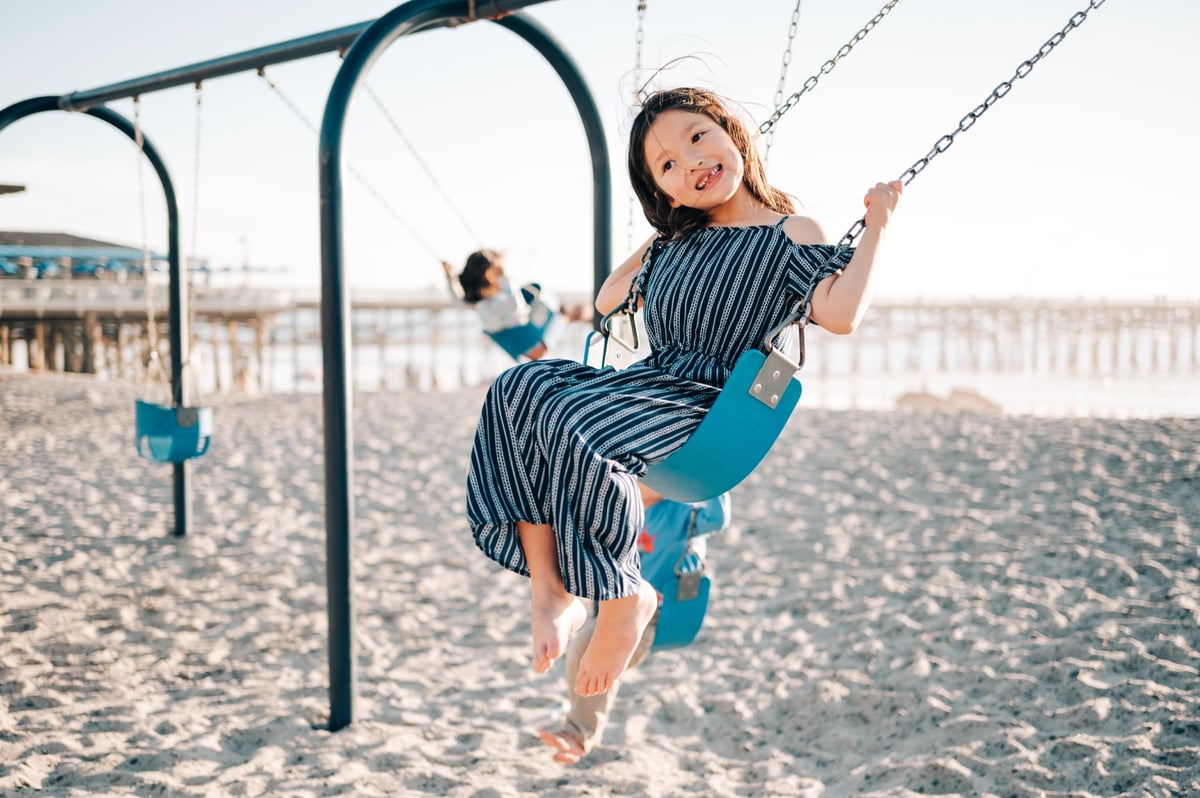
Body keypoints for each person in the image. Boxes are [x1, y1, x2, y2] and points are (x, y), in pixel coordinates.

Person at [464, 86, 902, 701]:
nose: (691, 161)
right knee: (517, 388)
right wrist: (665, 230)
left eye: (698, 137)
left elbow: (840, 312)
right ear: (662, 193)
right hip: (651, 384)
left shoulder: (790, 230)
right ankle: (551, 590)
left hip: (711, 404)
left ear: (731, 131)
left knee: (575, 424)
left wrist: (877, 225)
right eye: (667, 166)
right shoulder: (674, 243)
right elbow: (608, 300)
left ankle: (625, 596)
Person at [537, 487, 731, 764]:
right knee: (581, 652)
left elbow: (718, 519)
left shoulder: (681, 511)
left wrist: (715, 480)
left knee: (598, 656)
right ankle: (576, 721)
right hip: (609, 610)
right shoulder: (621, 510)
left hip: (653, 618)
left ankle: (578, 735)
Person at [443, 249, 587, 361]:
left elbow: (457, 300)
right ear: (489, 275)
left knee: (563, 310)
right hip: (536, 344)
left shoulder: (478, 305)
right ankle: (589, 314)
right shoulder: (501, 301)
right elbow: (516, 306)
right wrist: (503, 277)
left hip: (520, 345)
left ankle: (586, 314)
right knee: (564, 312)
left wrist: (449, 278)